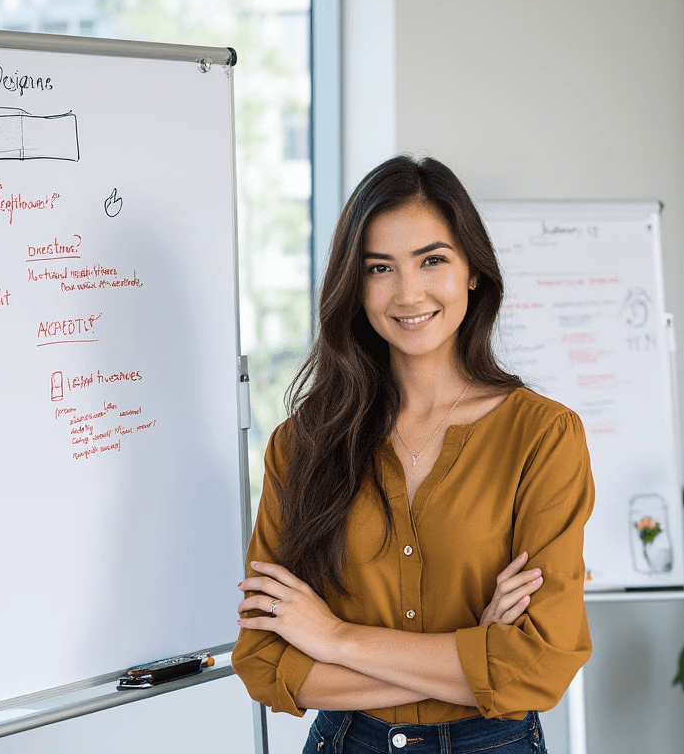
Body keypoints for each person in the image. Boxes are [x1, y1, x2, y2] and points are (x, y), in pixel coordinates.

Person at [233, 155, 595, 754]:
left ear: (472, 271)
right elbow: (265, 663)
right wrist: (474, 656)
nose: (408, 293)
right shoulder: (300, 446)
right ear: (355, 284)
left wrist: (333, 638)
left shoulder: (544, 437)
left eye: (433, 260)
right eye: (380, 268)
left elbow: (538, 666)